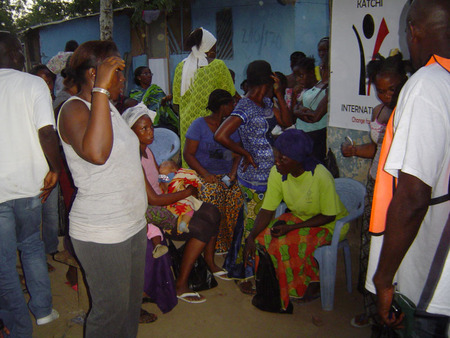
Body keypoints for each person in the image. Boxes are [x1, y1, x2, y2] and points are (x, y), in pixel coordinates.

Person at [365, 1, 450, 336]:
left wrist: (384, 279)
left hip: (432, 270)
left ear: (414, 30)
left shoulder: (427, 85)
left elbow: (413, 196)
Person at [58, 40, 148, 336]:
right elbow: (97, 154)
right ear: (95, 74)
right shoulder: (73, 109)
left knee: (129, 307)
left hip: (132, 224)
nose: (124, 78)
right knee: (109, 312)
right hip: (103, 230)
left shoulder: (107, 106)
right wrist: (101, 91)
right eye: (117, 71)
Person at [122, 103, 226, 304]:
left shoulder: (147, 152)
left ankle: (209, 261)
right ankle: (181, 284)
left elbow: (159, 183)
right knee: (201, 227)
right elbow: (152, 198)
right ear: (131, 133)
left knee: (213, 212)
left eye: (150, 126)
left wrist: (175, 180)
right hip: (151, 210)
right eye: (143, 129)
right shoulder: (132, 159)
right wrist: (185, 193)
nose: (150, 132)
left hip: (163, 198)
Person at [243, 129, 348, 311]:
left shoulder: (321, 176)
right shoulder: (278, 173)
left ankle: (304, 284)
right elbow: (268, 209)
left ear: (299, 160)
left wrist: (293, 228)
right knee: (263, 239)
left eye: (282, 159)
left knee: (285, 242)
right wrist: (251, 237)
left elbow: (329, 215)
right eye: (277, 156)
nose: (277, 162)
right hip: (300, 216)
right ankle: (271, 284)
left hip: (329, 224)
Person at [341, 52, 408, 328]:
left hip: (400, 189)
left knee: (395, 248)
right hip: (375, 184)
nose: (386, 95)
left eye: (392, 89)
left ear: (404, 82)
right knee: (371, 247)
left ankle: (396, 309)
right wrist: (355, 150)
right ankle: (372, 307)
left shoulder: (410, 108)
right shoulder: (379, 111)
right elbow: (379, 150)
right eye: (380, 90)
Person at [0, 31, 61, 337]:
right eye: (20, 50)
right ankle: (43, 310)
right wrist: (55, 168)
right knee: (32, 248)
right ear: (12, 53)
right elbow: (46, 132)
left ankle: (18, 325)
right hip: (29, 185)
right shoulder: (33, 83)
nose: (23, 55)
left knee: (4, 261)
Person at [215, 60, 292, 291]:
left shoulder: (267, 102)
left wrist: (279, 94)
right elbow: (221, 135)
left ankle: (253, 267)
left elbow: (287, 122)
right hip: (254, 176)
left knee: (256, 223)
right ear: (268, 79)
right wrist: (245, 153)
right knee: (251, 225)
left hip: (271, 173)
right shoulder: (245, 107)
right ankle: (242, 273)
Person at [184, 89, 243, 254]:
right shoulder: (199, 125)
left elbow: (238, 154)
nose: (234, 106)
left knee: (236, 196)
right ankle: (214, 245)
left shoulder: (231, 125)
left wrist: (232, 173)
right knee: (212, 195)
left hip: (225, 174)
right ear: (224, 107)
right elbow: (188, 154)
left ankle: (232, 243)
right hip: (203, 173)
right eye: (231, 103)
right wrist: (205, 173)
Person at [172, 27, 236, 166]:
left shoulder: (180, 67)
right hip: (211, 124)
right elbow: (230, 94)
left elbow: (176, 103)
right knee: (211, 162)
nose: (215, 50)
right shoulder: (218, 65)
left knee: (191, 161)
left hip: (187, 125)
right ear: (207, 47)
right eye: (214, 46)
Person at [29, 64, 61, 272]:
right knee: (34, 215)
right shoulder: (29, 104)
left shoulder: (52, 103)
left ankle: (51, 250)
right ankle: (37, 258)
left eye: (48, 81)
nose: (45, 85)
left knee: (51, 213)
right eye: (41, 81)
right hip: (35, 167)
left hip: (50, 166)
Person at [293, 56, 329, 163]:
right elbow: (296, 108)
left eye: (323, 67)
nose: (298, 80)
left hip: (315, 137)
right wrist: (298, 110)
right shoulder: (314, 88)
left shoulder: (328, 89)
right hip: (303, 135)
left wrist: (297, 111)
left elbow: (314, 117)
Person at [159, 160, 204, 234]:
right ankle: (172, 218)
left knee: (189, 207)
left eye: (165, 164)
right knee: (171, 210)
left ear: (174, 169)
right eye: (161, 164)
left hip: (182, 197)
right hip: (170, 201)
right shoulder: (160, 178)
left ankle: (183, 224)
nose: (162, 165)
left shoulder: (179, 175)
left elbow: (190, 177)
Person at [129, 66, 179, 132]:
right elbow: (137, 109)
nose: (149, 76)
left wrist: (164, 101)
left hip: (159, 123)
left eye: (150, 74)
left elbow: (164, 109)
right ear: (139, 77)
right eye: (146, 74)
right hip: (143, 124)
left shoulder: (156, 90)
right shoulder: (134, 93)